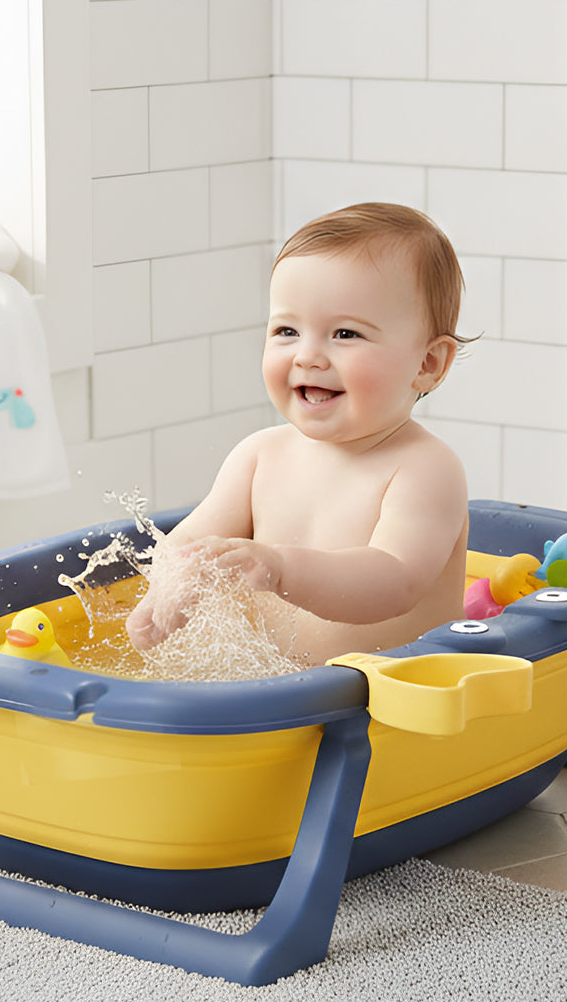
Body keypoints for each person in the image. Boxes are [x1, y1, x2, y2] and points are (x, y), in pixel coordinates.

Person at [126, 202, 472, 666]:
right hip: (271, 695)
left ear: (427, 364)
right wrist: (170, 593)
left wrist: (280, 567)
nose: (307, 356)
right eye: (287, 330)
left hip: (386, 706)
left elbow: (394, 582)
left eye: (346, 334)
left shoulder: (424, 469)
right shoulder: (259, 456)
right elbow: (187, 548)